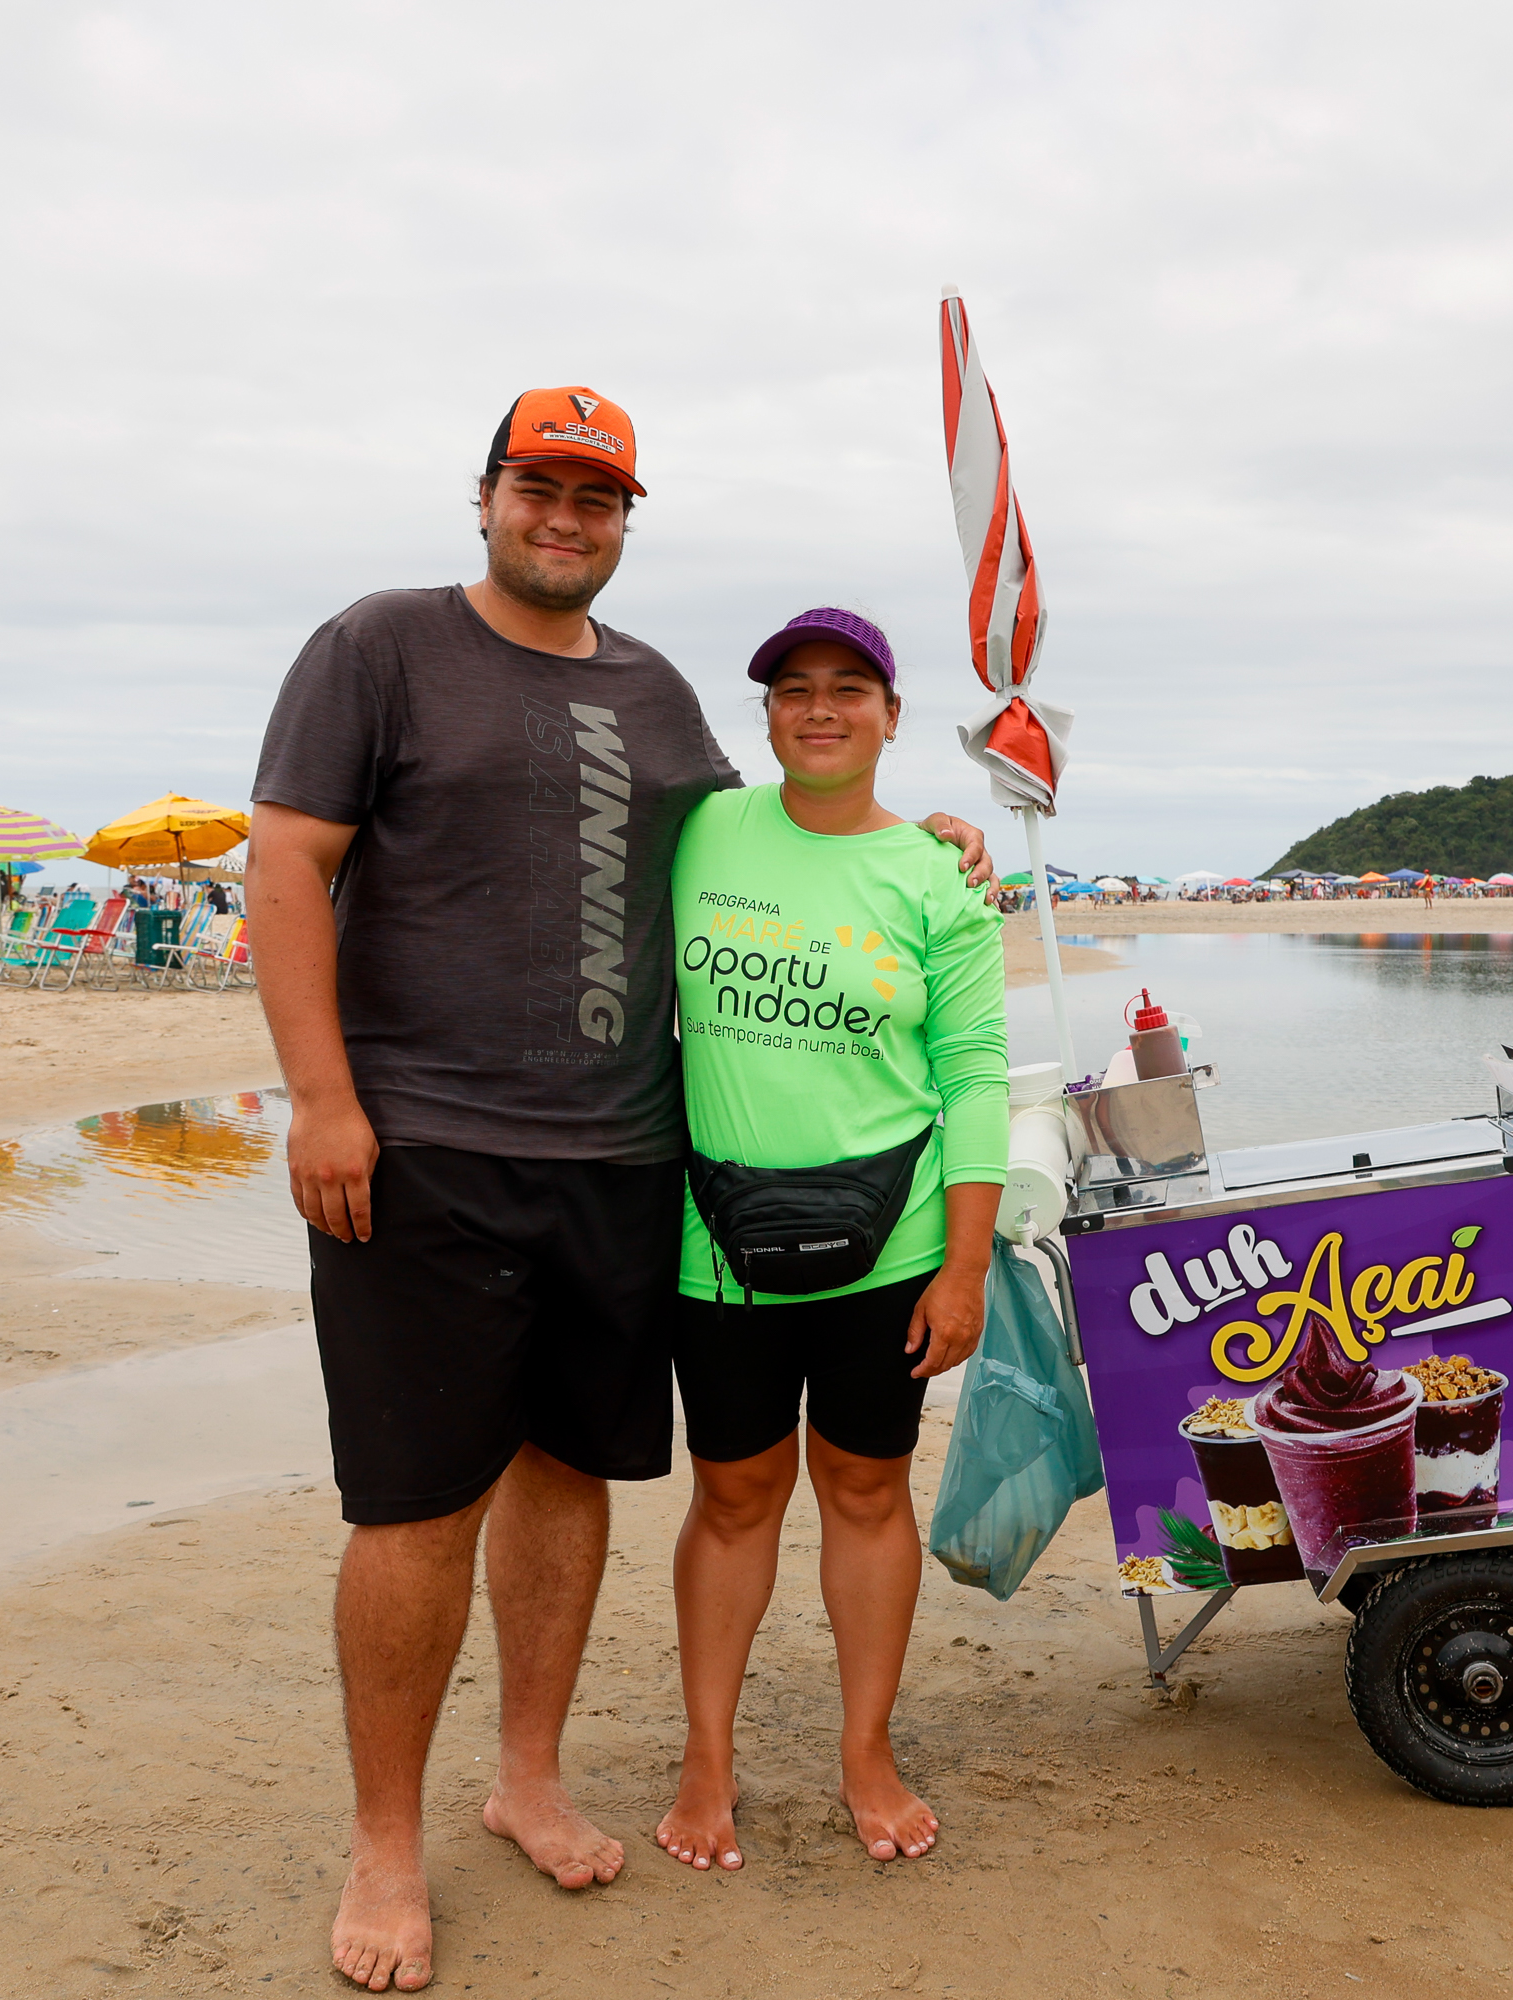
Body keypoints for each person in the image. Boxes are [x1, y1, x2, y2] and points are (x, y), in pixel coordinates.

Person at [245, 387, 988, 1994]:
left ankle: (529, 1776)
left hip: (625, 1164)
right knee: (413, 1502)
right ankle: (388, 1841)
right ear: (490, 495)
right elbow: (288, 859)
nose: (566, 517)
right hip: (422, 1150)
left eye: (599, 497)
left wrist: (930, 843)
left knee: (569, 1475)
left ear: (625, 521)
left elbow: (779, 831)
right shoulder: (377, 645)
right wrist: (321, 1099)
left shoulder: (658, 697)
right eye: (540, 486)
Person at [652, 609, 1004, 1877]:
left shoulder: (937, 875)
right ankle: (708, 1757)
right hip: (716, 1238)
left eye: (848, 689)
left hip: (894, 1241)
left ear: (892, 716)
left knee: (866, 1488)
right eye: (793, 690)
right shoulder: (702, 828)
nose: (819, 708)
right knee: (735, 1493)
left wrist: (965, 1266)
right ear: (764, 718)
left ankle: (867, 1749)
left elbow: (974, 1077)